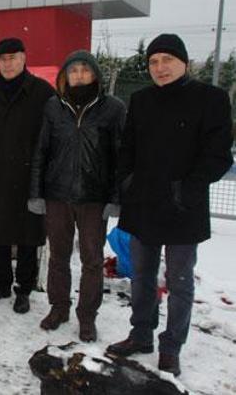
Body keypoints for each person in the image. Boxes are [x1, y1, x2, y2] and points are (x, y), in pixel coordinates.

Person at [107, 34, 233, 376]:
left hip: (183, 207)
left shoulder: (212, 98)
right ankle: (141, 334)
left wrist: (185, 188)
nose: (159, 68)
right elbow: (127, 148)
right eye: (153, 62)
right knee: (141, 276)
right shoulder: (142, 99)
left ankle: (172, 346)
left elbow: (218, 155)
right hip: (143, 203)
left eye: (167, 60)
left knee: (179, 282)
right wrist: (127, 181)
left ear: (184, 62)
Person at [28, 50, 126, 341]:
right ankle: (59, 308)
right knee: (57, 256)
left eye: (85, 70)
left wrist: (116, 197)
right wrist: (36, 192)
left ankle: (87, 316)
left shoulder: (113, 108)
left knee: (92, 260)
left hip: (94, 199)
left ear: (95, 74)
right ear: (65, 76)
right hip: (57, 195)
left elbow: (121, 157)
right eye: (73, 71)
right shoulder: (53, 107)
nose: (79, 75)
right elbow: (41, 151)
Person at [0, 38, 56, 313]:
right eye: (2, 59)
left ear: (24, 58)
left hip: (30, 176)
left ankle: (23, 289)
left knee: (27, 235)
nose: (7, 63)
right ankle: (1, 284)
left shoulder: (43, 92)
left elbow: (52, 136)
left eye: (12, 57)